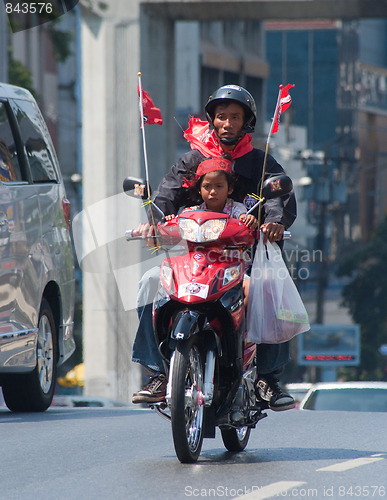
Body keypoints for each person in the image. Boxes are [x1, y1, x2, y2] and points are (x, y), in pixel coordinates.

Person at [131, 84, 297, 411]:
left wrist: (273, 223)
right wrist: (153, 222)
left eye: (235, 117)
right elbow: (164, 200)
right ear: (212, 120)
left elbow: (278, 198)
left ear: (246, 122)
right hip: (191, 257)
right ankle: (157, 373)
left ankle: (268, 378)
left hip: (245, 255)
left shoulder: (260, 162)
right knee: (150, 282)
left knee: (272, 287)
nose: (227, 123)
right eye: (221, 116)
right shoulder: (192, 159)